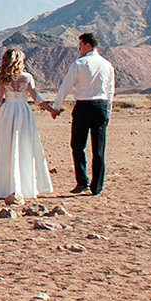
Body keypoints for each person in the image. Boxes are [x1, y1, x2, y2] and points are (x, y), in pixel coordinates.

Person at [48, 32, 115, 195]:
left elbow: (65, 86)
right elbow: (110, 91)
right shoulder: (107, 65)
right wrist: (108, 111)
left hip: (83, 106)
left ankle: (82, 181)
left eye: (80, 45)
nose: (79, 48)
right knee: (99, 148)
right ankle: (97, 186)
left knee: (77, 145)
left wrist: (56, 106)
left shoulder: (79, 63)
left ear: (87, 45)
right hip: (101, 106)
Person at [0, 48, 53, 201]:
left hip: (7, 112)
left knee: (6, 147)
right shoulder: (27, 77)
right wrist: (51, 110)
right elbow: (37, 99)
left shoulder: (4, 77)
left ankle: (5, 187)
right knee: (25, 146)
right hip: (23, 111)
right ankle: (25, 187)